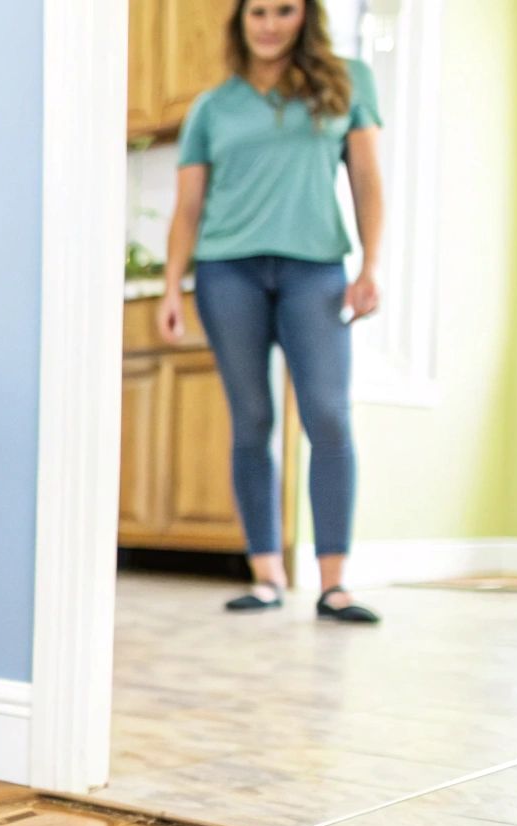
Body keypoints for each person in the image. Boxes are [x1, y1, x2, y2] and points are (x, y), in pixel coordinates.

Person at [157, 0, 384, 624]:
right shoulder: (212, 108)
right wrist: (173, 288)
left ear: (304, 17)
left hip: (316, 269)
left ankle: (334, 584)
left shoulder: (348, 83)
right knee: (251, 418)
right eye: (257, 11)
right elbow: (187, 208)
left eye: (283, 10)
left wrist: (371, 265)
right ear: (241, 21)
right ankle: (265, 575)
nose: (269, 23)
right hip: (229, 271)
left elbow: (367, 178)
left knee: (328, 416)